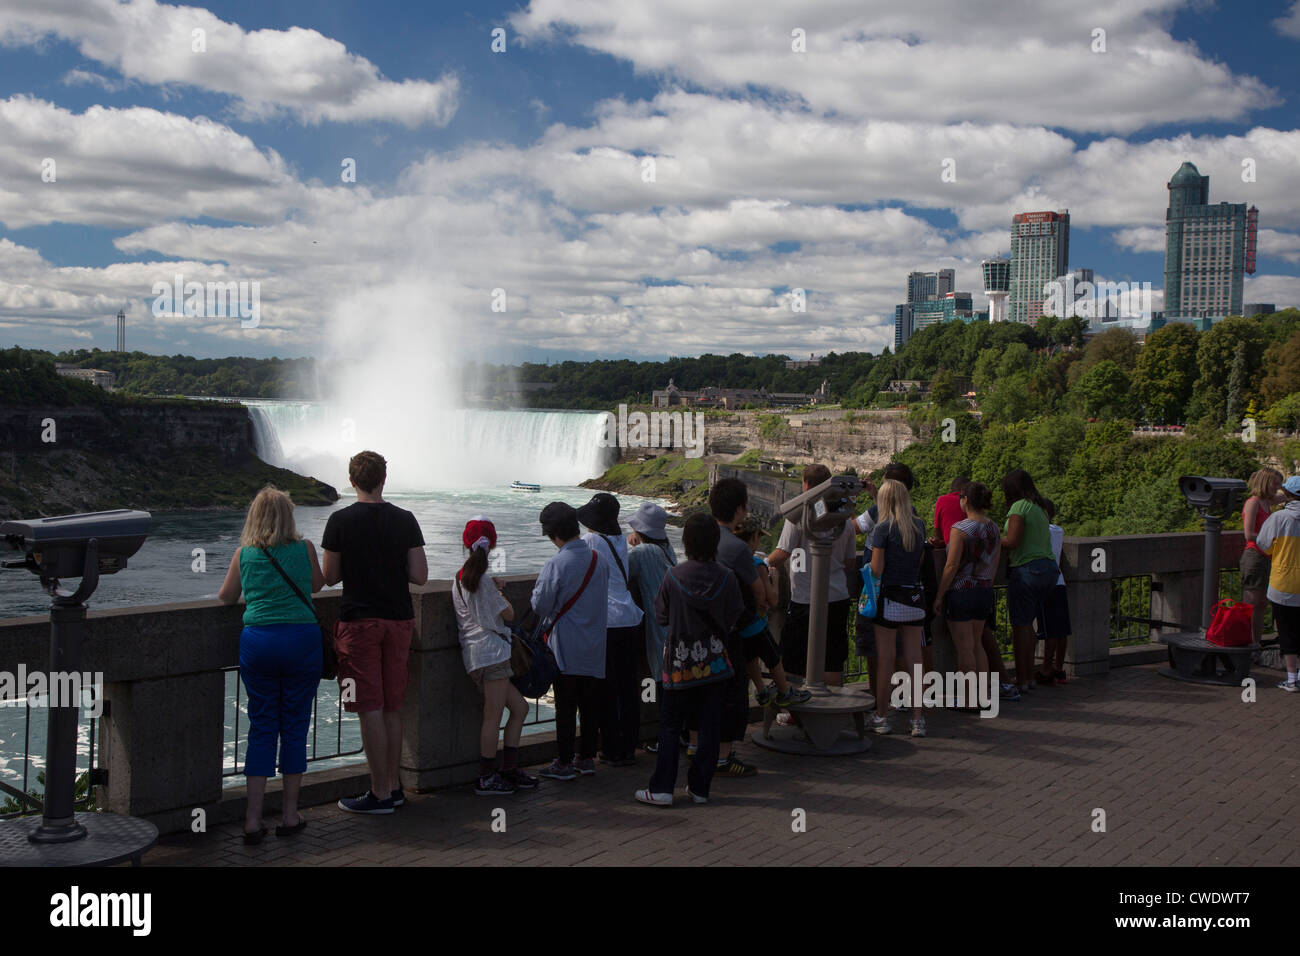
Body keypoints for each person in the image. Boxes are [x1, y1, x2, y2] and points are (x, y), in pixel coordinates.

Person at [322, 451, 428, 815]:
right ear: (385, 479)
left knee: (370, 707)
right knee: (393, 707)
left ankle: (379, 793)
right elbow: (420, 575)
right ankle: (395, 787)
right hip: (399, 620)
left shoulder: (339, 520)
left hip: (359, 621)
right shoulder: (405, 520)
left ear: (352, 481)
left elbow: (330, 576)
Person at [218, 485, 324, 844]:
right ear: (288, 516)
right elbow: (319, 585)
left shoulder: (244, 554)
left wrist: (259, 592)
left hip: (259, 642)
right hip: (301, 642)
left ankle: (252, 821)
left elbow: (226, 596)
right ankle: (290, 815)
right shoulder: (305, 548)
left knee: (262, 727)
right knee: (294, 726)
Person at [635, 514, 743, 807]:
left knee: (670, 727)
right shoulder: (727, 576)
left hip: (679, 665)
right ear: (715, 542)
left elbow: (660, 617)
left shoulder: (673, 576)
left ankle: (662, 789)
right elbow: (734, 616)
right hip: (716, 665)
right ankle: (699, 789)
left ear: (686, 542)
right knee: (710, 726)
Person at [451, 516, 539, 796]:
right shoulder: (484, 581)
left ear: (466, 544)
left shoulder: (461, 578)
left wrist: (493, 587)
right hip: (492, 655)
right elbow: (509, 615)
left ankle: (508, 770)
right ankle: (487, 777)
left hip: (479, 655)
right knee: (493, 717)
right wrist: (501, 592)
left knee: (520, 709)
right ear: (493, 545)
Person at [533, 502, 609, 779]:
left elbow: (540, 605)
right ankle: (587, 758)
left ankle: (563, 763)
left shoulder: (557, 563)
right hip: (595, 644)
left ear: (554, 534)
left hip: (565, 646)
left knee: (565, 706)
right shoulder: (599, 559)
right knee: (590, 704)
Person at [769, 464, 857, 686]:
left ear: (806, 485)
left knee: (794, 659)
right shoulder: (843, 517)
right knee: (832, 659)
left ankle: (796, 711)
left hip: (806, 598)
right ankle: (833, 708)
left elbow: (783, 552)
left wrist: (760, 564)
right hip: (838, 596)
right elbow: (850, 561)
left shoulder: (799, 515)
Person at [578, 493, 645, 768]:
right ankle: (628, 746)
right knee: (629, 687)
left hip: (607, 622)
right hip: (630, 618)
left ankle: (611, 747)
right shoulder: (618, 539)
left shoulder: (591, 541)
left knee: (605, 689)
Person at [707, 477, 761, 777]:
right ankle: (724, 757)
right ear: (739, 510)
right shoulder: (738, 549)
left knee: (707, 689)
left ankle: (699, 745)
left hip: (703, 629)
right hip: (731, 629)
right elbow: (759, 591)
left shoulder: (704, 538)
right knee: (734, 690)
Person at [868, 479, 929, 736]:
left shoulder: (882, 528)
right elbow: (920, 561)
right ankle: (917, 720)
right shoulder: (919, 526)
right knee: (915, 661)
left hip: (889, 599)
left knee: (886, 660)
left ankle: (882, 716)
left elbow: (876, 569)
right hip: (915, 598)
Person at [932, 481, 998, 707]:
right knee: (978, 644)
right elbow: (994, 564)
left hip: (962, 591)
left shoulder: (960, 529)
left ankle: (969, 699)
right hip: (984, 589)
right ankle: (985, 697)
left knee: (965, 648)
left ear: (966, 500)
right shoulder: (994, 528)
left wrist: (940, 595)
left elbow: (951, 566)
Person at [735, 516, 812, 708]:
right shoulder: (756, 565)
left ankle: (760, 691)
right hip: (756, 624)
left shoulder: (732, 561)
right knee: (774, 659)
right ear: (753, 537)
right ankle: (784, 692)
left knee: (750, 659)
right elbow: (773, 599)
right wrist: (775, 578)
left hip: (738, 625)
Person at [1000, 469, 1059, 694]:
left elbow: (1013, 541)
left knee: (1020, 626)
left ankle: (1023, 678)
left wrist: (993, 536)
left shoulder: (1019, 507)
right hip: (1048, 569)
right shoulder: (1040, 507)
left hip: (1027, 569)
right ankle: (1029, 677)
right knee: (1029, 624)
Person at [626, 501, 678, 752]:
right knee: (674, 681)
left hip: (658, 627)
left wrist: (630, 545)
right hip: (677, 623)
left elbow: (621, 571)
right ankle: (678, 734)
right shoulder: (667, 549)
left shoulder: (642, 553)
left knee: (661, 681)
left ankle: (665, 737)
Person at [1253, 475, 1300, 692]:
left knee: (1287, 632)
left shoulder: (1279, 518)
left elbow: (1263, 543)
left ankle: (1292, 679)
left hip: (1283, 583)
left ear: (1288, 495)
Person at [1242, 468, 1284, 645]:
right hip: (1254, 556)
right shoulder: (1253, 503)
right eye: (1275, 484)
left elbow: (1285, 496)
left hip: (1265, 556)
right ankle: (1248, 642)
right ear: (1266, 482)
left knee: (1261, 604)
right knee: (1253, 603)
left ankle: (1255, 642)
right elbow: (1249, 534)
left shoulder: (1266, 502)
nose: (1278, 487)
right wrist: (1272, 539)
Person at [1034, 499, 1072, 686]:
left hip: (1045, 583)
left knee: (1049, 630)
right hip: (1059, 582)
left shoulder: (1041, 531)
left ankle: (1046, 669)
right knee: (1062, 629)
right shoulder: (1058, 530)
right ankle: (1059, 668)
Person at [930, 476, 971, 547]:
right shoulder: (970, 501)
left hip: (951, 546)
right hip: (972, 547)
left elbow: (937, 533)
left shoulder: (942, 500)